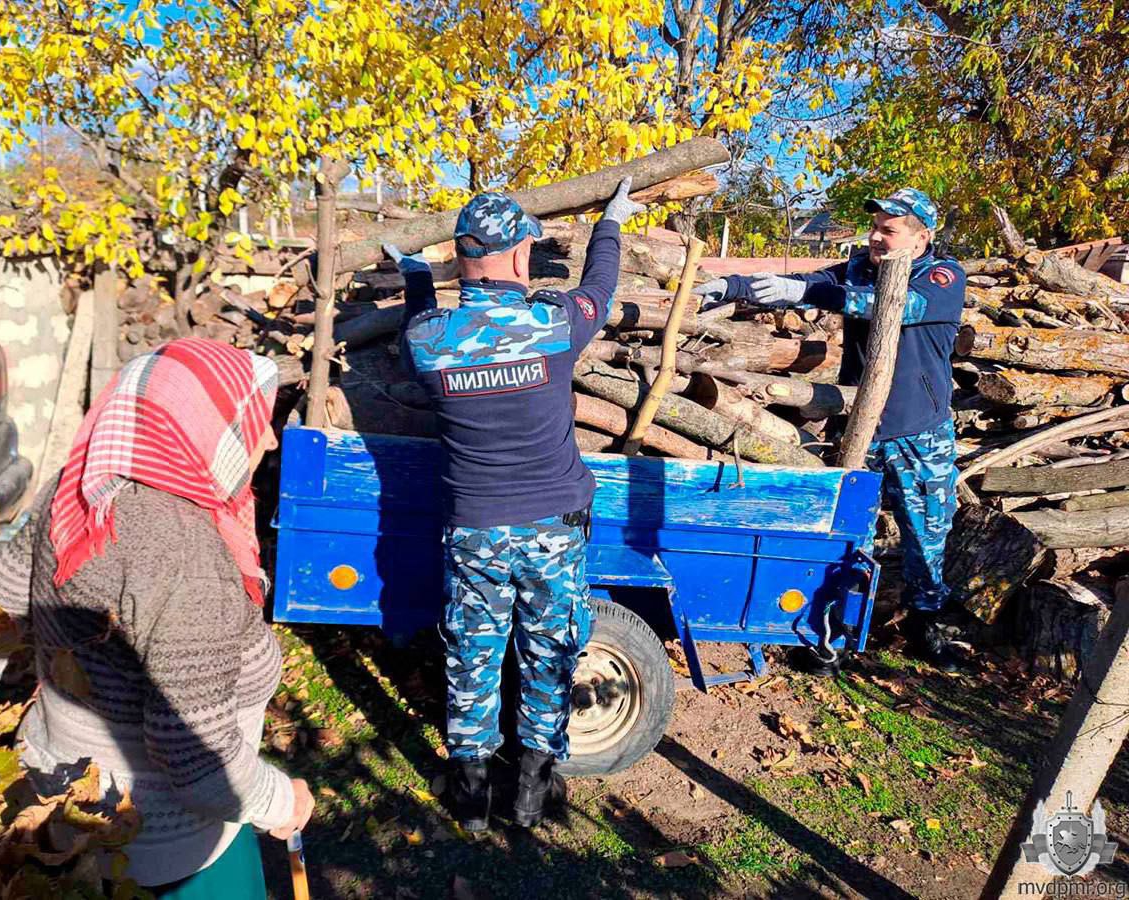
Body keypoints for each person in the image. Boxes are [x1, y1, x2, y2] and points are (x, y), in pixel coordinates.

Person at [0, 338, 313, 895]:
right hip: (158, 845)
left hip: (51, 804)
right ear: (208, 431)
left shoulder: (82, 486)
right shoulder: (188, 560)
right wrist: (281, 801)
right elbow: (196, 760)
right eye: (255, 421)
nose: (270, 438)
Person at [382, 179, 645, 831]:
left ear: (460, 256)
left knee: (472, 655)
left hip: (474, 529)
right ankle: (532, 791)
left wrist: (415, 275)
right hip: (554, 526)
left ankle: (471, 796)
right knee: (550, 651)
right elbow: (600, 285)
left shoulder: (429, 340)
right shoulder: (553, 324)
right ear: (522, 254)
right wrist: (610, 222)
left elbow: (418, 319)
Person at [695, 188, 965, 671]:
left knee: (926, 532)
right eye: (875, 227)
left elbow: (896, 307)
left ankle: (927, 626)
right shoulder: (859, 268)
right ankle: (827, 634)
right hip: (859, 424)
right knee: (845, 532)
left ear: (921, 238)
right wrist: (731, 285)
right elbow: (804, 282)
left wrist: (810, 294)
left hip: (919, 432)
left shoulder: (942, 276)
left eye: (889, 230)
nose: (875, 237)